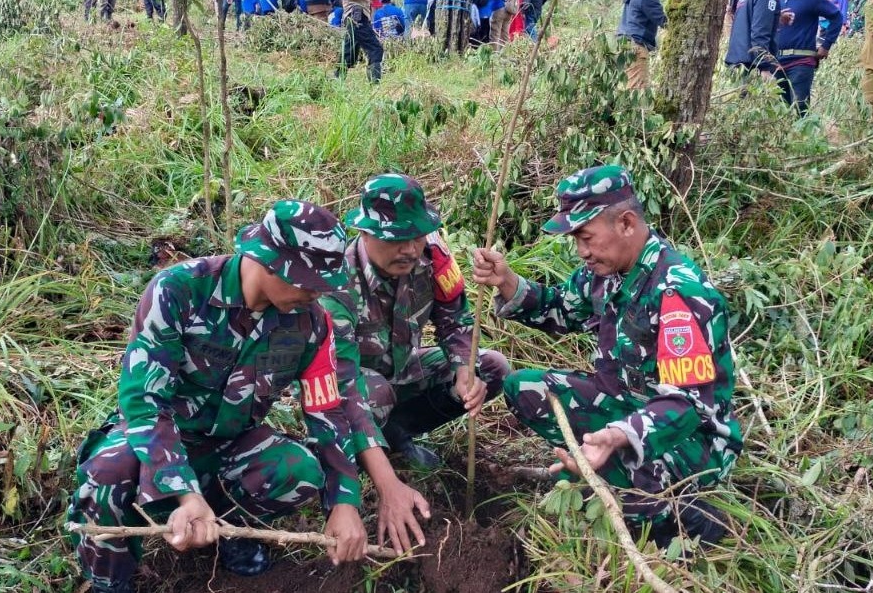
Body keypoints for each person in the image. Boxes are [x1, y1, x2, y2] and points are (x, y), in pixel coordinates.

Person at [66, 201, 368, 593]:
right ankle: (111, 581)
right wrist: (183, 491)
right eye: (307, 280)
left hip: (230, 443)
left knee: (298, 470)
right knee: (104, 476)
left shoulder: (311, 324)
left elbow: (327, 409)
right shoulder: (179, 291)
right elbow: (144, 401)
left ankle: (232, 531)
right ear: (268, 259)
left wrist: (345, 500)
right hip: (159, 439)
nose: (316, 293)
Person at [472, 166, 742, 549]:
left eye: (586, 237)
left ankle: (695, 520)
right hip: (624, 405)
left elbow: (687, 406)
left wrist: (618, 436)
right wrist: (508, 282)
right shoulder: (605, 271)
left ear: (627, 224)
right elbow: (561, 309)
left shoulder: (676, 292)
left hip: (690, 438)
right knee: (525, 388)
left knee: (624, 499)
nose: (582, 251)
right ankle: (606, 471)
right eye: (576, 240)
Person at [321, 174, 510, 552]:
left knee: (492, 366)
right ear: (365, 233)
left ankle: (397, 435)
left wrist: (462, 369)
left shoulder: (433, 254)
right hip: (353, 393)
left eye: (418, 235)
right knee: (373, 392)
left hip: (405, 370)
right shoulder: (336, 281)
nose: (410, 248)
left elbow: (455, 316)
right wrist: (389, 487)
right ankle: (365, 459)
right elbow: (340, 385)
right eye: (396, 239)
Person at [725, 0, 809, 77]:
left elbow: (750, 23)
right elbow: (760, 33)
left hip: (736, 63)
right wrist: (764, 67)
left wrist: (776, 18)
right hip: (750, 67)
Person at [775, 0, 844, 116]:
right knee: (780, 107)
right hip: (776, 61)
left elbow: (837, 17)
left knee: (800, 105)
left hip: (801, 60)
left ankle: (803, 136)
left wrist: (826, 45)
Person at [616, 0, 672, 89]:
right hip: (636, 46)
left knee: (626, 88)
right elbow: (664, 22)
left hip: (624, 43)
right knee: (637, 91)